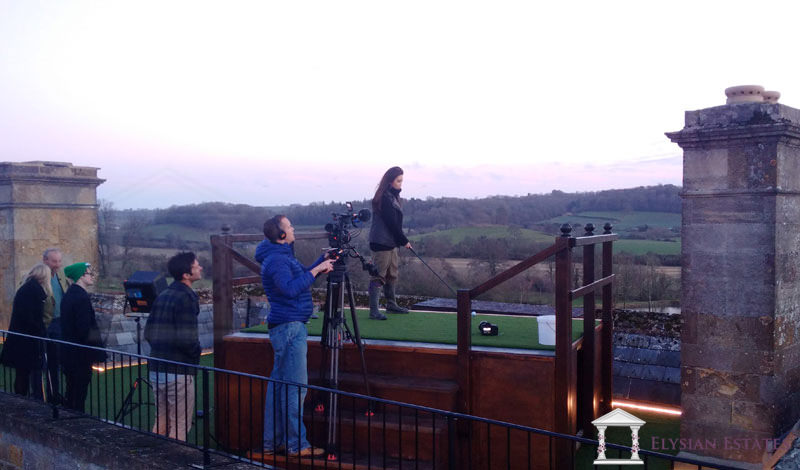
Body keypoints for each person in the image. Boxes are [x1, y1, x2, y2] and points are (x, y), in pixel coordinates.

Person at [256, 215, 334, 457]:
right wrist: (317, 271)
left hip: (286, 327)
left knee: (280, 387)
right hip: (289, 328)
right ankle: (296, 445)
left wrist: (322, 262)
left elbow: (300, 278)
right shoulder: (278, 260)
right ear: (281, 235)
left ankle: (273, 443)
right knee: (295, 389)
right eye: (289, 226)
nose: (293, 228)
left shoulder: (280, 256)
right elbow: (289, 289)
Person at [144, 252, 203, 442]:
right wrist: (195, 356)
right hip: (178, 370)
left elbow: (148, 333)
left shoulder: (163, 295)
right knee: (179, 424)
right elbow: (188, 339)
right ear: (186, 274)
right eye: (196, 265)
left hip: (157, 368)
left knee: (161, 422)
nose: (200, 267)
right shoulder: (186, 298)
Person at [367, 166, 412, 320]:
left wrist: (400, 240)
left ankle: (391, 305)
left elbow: (395, 225)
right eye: (398, 181)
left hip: (391, 243)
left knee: (392, 274)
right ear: (390, 181)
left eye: (401, 181)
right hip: (381, 243)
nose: (401, 184)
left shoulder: (392, 197)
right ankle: (374, 311)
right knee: (378, 276)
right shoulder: (384, 198)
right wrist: (404, 240)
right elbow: (391, 224)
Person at [60, 262, 106, 412]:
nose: (92, 276)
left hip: (69, 350)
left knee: (71, 388)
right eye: (88, 274)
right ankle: (76, 420)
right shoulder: (80, 297)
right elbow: (83, 329)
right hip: (80, 353)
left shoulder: (70, 294)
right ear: (80, 276)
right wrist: (96, 348)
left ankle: (69, 417)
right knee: (79, 391)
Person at [0, 264, 51, 396]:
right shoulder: (32, 291)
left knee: (22, 372)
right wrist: (40, 330)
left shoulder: (28, 289)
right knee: (23, 372)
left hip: (22, 338)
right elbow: (29, 316)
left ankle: (22, 398)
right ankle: (21, 400)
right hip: (25, 340)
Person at [42, 248, 69, 402]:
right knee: (43, 362)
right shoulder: (38, 278)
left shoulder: (60, 278)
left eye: (59, 261)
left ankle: (55, 393)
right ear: (45, 260)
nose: (57, 265)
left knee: (57, 361)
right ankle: (42, 395)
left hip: (59, 323)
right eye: (54, 261)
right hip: (46, 323)